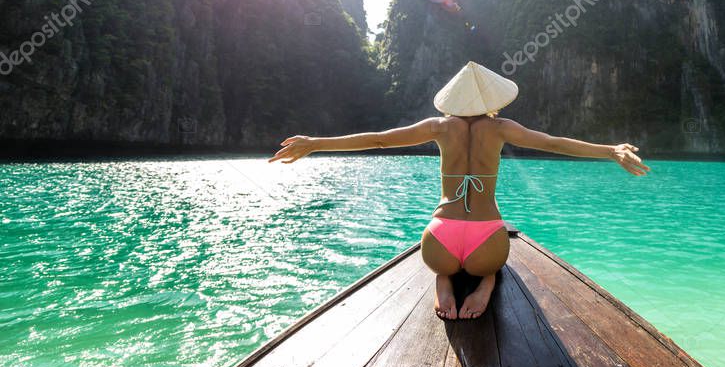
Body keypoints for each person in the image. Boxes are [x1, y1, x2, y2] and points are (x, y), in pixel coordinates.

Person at [269, 61, 650, 320]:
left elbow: (379, 140)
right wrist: (610, 150)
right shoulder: (501, 129)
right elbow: (553, 143)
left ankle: (443, 279)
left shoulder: (438, 126)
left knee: (445, 264)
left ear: (452, 100)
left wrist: (316, 142)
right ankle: (484, 284)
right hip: (487, 243)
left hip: (439, 243)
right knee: (492, 266)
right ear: (492, 100)